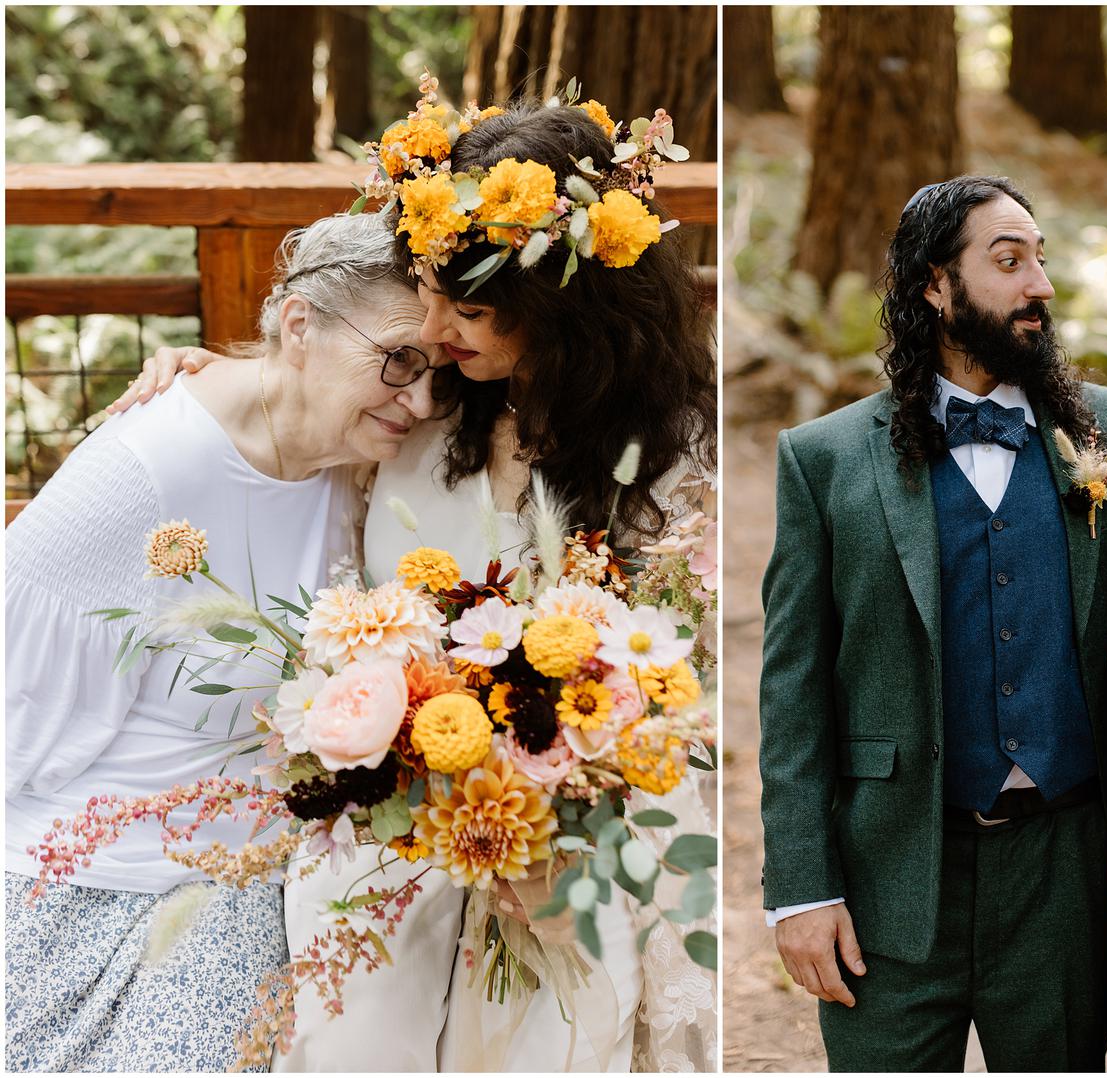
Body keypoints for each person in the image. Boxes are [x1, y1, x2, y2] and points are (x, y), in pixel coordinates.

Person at [115, 87, 717, 1073]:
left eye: (470, 308)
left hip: (586, 790)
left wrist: (558, 797)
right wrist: (206, 377)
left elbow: (677, 676)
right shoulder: (423, 405)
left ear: (564, 313)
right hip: (388, 787)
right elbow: (294, 399)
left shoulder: (675, 457)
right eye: (431, 293)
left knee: (569, 978)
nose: (436, 326)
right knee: (366, 995)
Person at [758, 174, 1107, 1071]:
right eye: (1008, 260)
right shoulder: (825, 460)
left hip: (1069, 875)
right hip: (892, 883)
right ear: (934, 286)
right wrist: (800, 890)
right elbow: (793, 687)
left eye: (1040, 259)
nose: (1041, 285)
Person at [4, 210, 445, 1071]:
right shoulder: (139, 476)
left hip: (245, 881)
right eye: (398, 361)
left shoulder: (365, 456)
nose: (422, 401)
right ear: (299, 323)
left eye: (437, 374)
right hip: (81, 878)